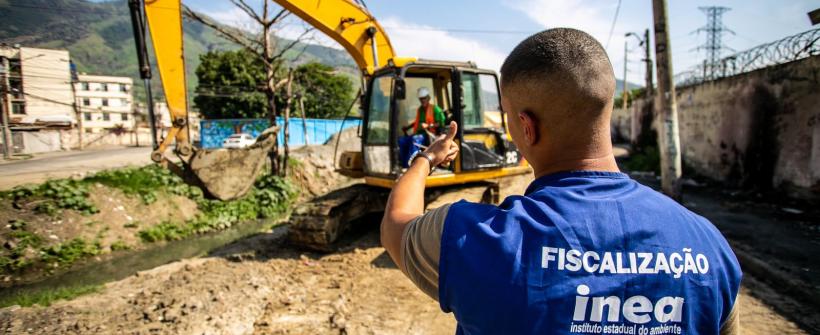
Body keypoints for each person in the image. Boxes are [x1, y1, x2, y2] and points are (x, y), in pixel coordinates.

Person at [380, 28, 741, 335]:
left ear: (526, 126)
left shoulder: (468, 238)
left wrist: (427, 158)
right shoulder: (709, 246)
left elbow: (397, 222)